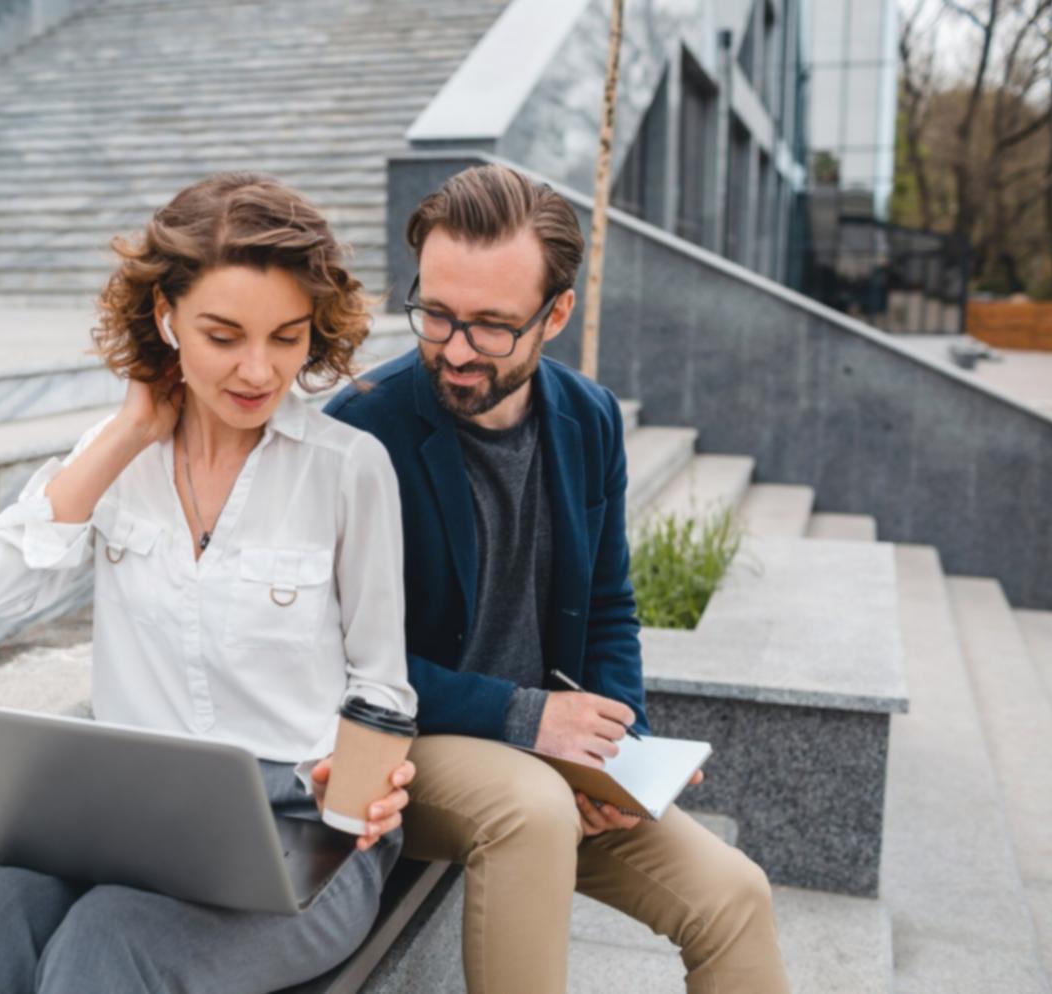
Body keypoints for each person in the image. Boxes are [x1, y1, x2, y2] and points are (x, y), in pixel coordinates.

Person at [0, 172, 418, 994]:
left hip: (301, 832)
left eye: (287, 337)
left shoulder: (348, 469)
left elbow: (383, 685)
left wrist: (353, 778)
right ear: (165, 317)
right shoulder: (121, 456)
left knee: (107, 942)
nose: (260, 370)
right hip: (126, 822)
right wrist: (130, 430)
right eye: (224, 335)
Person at [324, 163, 791, 994]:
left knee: (736, 896)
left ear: (558, 313)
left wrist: (622, 753)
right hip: (412, 742)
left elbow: (610, 607)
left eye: (492, 326)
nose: (456, 350)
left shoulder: (590, 418)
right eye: (435, 314)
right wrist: (524, 718)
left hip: (549, 758)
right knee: (531, 808)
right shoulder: (363, 431)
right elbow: (335, 655)